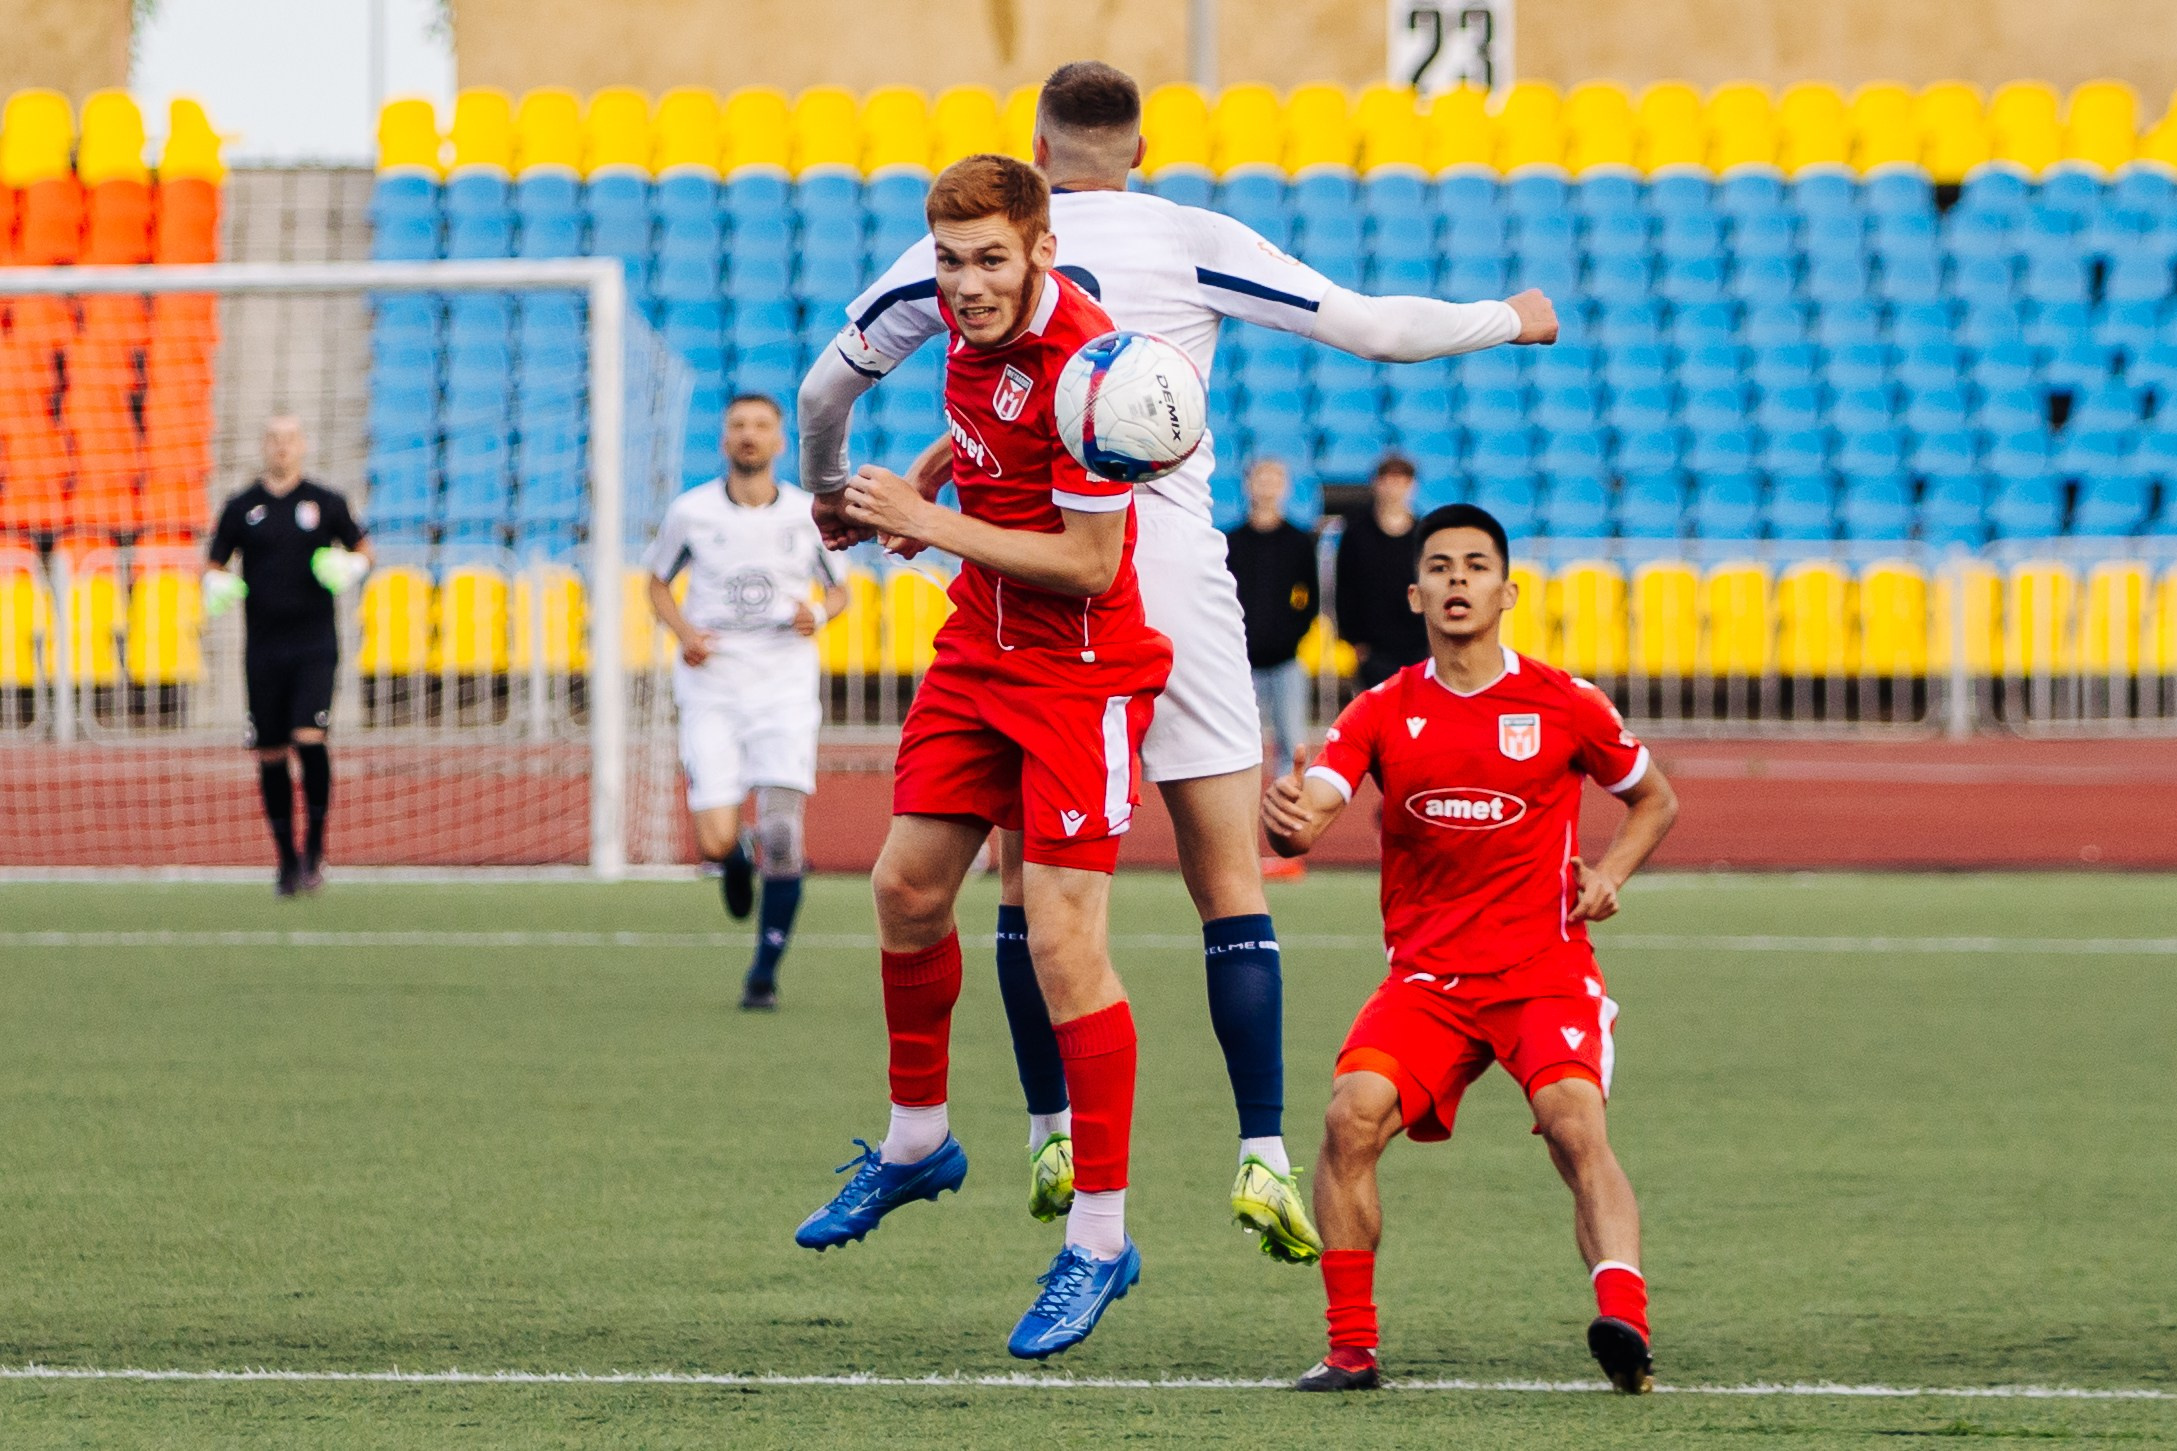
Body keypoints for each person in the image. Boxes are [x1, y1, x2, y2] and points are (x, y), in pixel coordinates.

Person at [795, 59, 1558, 1264]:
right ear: (1137, 153)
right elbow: (1370, 328)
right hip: (1166, 573)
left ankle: (1050, 1132)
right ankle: (1258, 1151)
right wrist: (1508, 316)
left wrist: (835, 490)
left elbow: (826, 382)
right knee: (1224, 879)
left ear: (1037, 171)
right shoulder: (1185, 233)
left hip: (1018, 567)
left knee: (1022, 883)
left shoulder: (946, 251)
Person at [792, 155, 1172, 1361]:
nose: (964, 286)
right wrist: (924, 475)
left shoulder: (1091, 365)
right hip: (979, 649)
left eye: (989, 260)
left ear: (1041, 250)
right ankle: (917, 1139)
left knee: (1064, 945)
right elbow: (988, 436)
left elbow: (1087, 565)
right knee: (903, 889)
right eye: (948, 262)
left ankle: (1100, 1240)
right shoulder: (969, 332)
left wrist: (919, 522)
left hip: (1077, 674)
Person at [1261, 503, 1680, 1395]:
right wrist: (1291, 818)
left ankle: (1624, 1325)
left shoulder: (1564, 701)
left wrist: (1608, 873)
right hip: (1428, 981)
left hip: (1544, 972)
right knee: (1348, 1117)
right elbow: (1317, 809)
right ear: (1414, 594)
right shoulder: (1381, 708)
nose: (1458, 580)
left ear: (1506, 590)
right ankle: (1350, 1350)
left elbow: (1655, 799)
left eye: (1475, 566)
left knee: (1575, 1125)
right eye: (1441, 567)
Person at [642, 394, 847, 1011]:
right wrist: (684, 634)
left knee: (784, 832)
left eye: (761, 426)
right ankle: (734, 856)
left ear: (781, 442)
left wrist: (817, 613)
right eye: (738, 427)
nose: (749, 436)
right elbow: (656, 581)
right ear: (724, 440)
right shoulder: (692, 512)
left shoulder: (808, 517)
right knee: (712, 840)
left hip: (783, 684)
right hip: (713, 684)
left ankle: (763, 974)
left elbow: (839, 592)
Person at [203, 415, 371, 897]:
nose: (281, 447)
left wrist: (353, 566)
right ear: (264, 446)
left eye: (290, 439)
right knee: (272, 750)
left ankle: (315, 851)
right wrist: (216, 582)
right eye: (274, 439)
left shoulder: (326, 501)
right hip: (262, 646)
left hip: (315, 644)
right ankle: (286, 861)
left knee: (309, 737)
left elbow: (364, 549)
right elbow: (215, 561)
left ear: (302, 445)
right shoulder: (242, 507)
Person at [1223, 458, 1318, 769]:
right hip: (1239, 660)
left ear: (1285, 487)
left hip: (1286, 660)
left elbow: (1309, 596)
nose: (1266, 487)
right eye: (1260, 479)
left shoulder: (1299, 541)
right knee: (1235, 743)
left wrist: (1293, 633)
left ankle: (1286, 813)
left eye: (1274, 479)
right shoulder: (1229, 542)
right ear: (1248, 485)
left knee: (1292, 744)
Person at [1334, 456, 1429, 691]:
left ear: (1411, 486)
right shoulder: (1356, 533)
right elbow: (1344, 588)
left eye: (1401, 481)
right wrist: (1353, 640)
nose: (1394, 488)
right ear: (1376, 484)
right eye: (1387, 480)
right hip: (1373, 650)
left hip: (1419, 646)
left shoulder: (1425, 534)